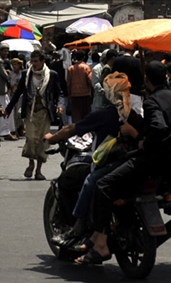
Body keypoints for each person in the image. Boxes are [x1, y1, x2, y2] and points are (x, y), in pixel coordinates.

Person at [76, 61, 171, 265]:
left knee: (102, 185)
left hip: (151, 161)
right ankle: (95, 236)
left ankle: (101, 244)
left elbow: (158, 127)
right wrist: (134, 122)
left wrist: (142, 140)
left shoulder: (151, 101)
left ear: (147, 79)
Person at [44, 72, 142, 248]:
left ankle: (77, 227)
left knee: (73, 180)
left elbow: (72, 128)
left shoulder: (105, 114)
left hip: (110, 163)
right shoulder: (134, 114)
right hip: (132, 163)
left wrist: (52, 137)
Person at [5, 50, 64, 180]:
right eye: (32, 61)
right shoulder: (27, 74)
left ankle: (38, 170)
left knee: (43, 141)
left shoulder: (52, 75)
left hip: (44, 112)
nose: (34, 64)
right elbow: (18, 93)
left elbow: (59, 93)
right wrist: (8, 109)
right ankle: (30, 164)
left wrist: (60, 106)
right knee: (31, 139)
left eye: (36, 61)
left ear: (43, 61)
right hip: (30, 112)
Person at [0, 45, 15, 140]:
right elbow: (5, 76)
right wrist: (8, 73)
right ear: (0, 51)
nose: (6, 53)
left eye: (7, 51)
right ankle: (4, 132)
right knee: (3, 111)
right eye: (4, 51)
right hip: (0, 90)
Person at [67, 49, 94, 123]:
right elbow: (90, 80)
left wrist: (69, 94)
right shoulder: (86, 67)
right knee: (86, 116)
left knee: (76, 116)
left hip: (74, 95)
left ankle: (76, 131)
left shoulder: (70, 69)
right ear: (84, 57)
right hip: (85, 94)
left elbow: (68, 83)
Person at [7, 57, 24, 138]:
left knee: (19, 112)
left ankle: (21, 126)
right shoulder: (11, 73)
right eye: (13, 64)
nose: (14, 66)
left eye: (16, 64)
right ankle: (15, 130)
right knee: (13, 113)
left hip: (20, 95)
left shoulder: (22, 73)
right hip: (12, 94)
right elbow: (8, 82)